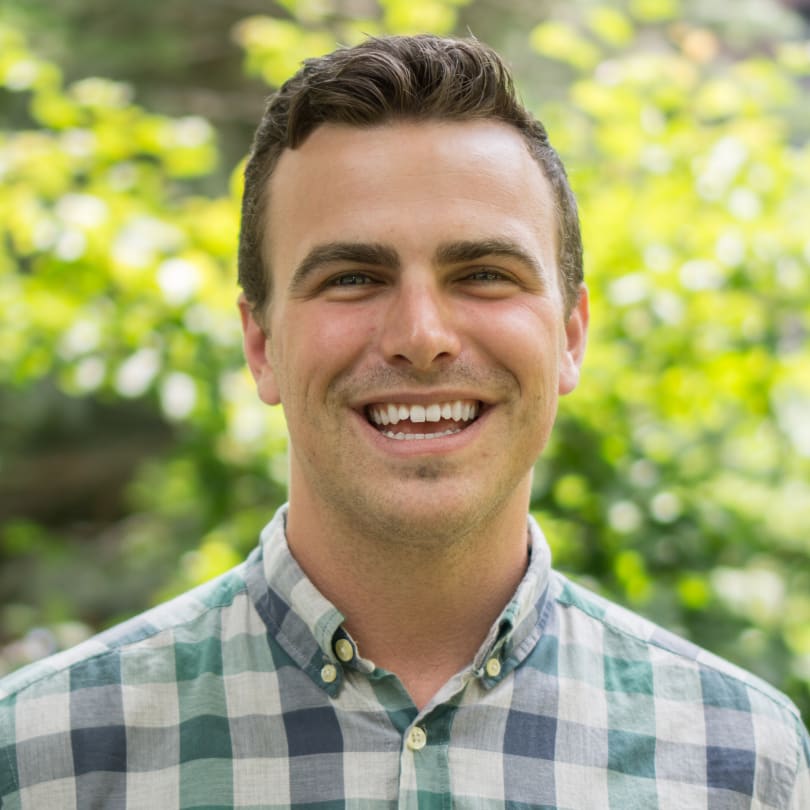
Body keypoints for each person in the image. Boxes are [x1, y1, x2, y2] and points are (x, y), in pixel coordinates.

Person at [1, 34, 808, 810]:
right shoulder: (41, 759)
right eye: (353, 278)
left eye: (484, 273)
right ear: (261, 345)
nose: (422, 337)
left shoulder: (739, 764)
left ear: (570, 337)